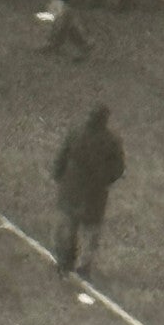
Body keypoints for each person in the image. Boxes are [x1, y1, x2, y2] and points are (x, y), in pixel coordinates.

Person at [52, 104, 125, 279]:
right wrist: (106, 180)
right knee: (91, 232)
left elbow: (62, 156)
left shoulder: (76, 133)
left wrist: (58, 174)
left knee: (68, 227)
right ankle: (84, 267)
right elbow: (118, 168)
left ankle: (64, 262)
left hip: (72, 189)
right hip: (95, 192)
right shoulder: (111, 141)